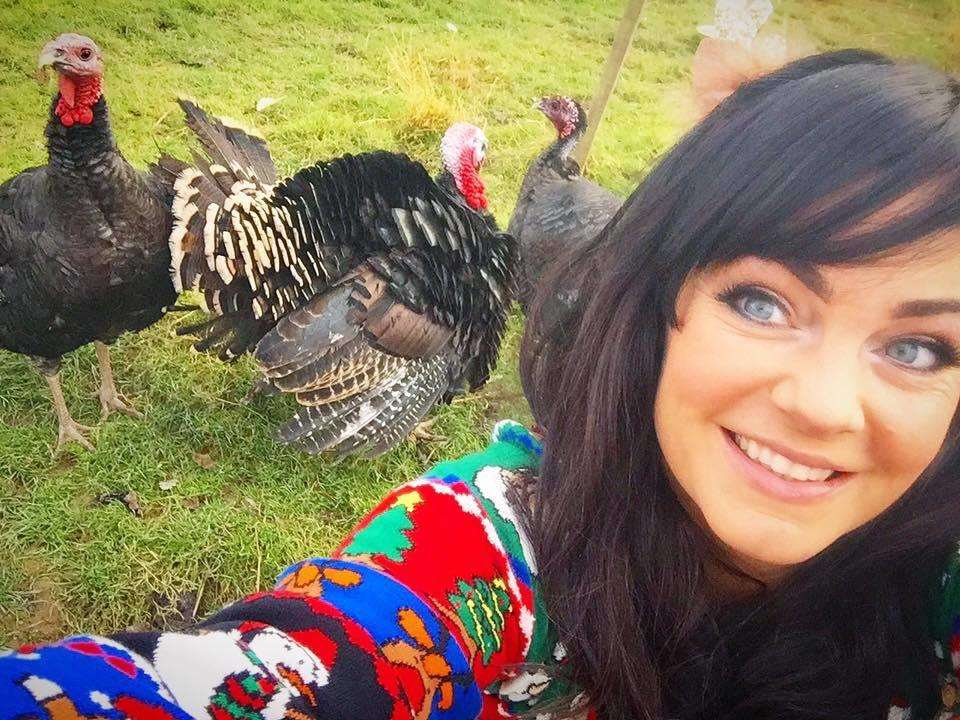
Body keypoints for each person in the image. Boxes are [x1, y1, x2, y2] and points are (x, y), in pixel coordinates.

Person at [4, 50, 960, 720]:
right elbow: (255, 675)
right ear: (649, 298)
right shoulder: (486, 562)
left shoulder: (933, 587)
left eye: (919, 349)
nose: (825, 405)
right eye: (762, 301)